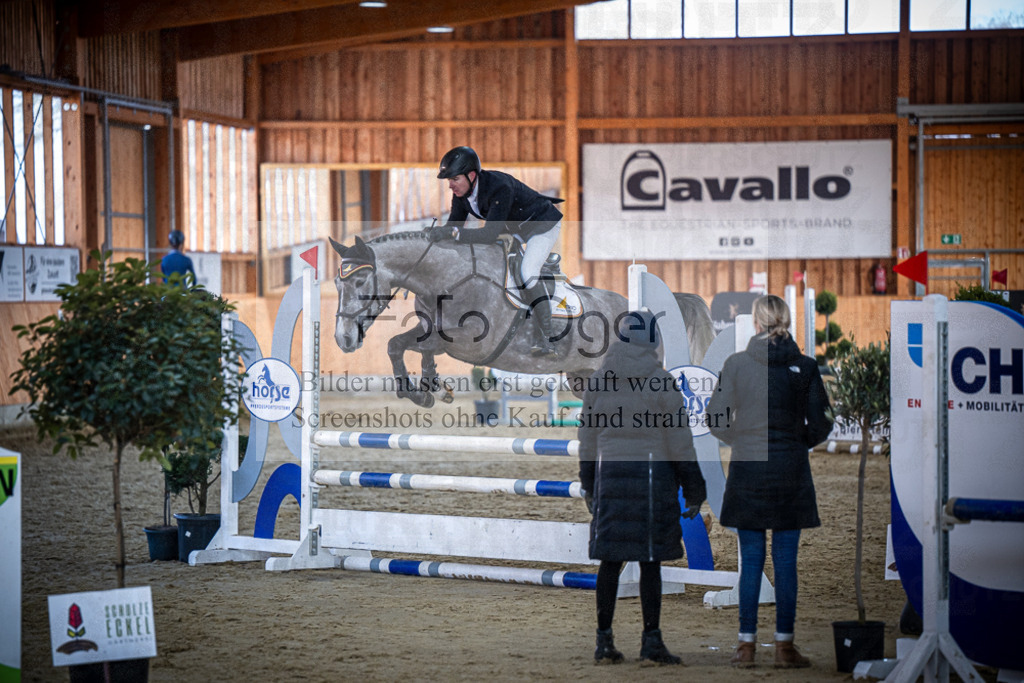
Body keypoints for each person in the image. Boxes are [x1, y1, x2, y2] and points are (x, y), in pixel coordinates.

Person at [706, 294, 832, 669]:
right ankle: (784, 647)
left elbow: (715, 419)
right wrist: (798, 442)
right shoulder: (806, 367)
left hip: (748, 470)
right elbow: (823, 423)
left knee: (752, 562)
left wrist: (740, 440)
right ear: (787, 322)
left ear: (756, 324)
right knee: (786, 563)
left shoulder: (737, 364)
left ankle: (745, 646)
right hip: (790, 472)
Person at [577, 310, 707, 666]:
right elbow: (681, 444)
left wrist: (589, 484)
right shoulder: (662, 382)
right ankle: (651, 641)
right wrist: (695, 490)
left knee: (610, 561)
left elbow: (587, 440)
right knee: (651, 564)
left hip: (611, 482)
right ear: (650, 341)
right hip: (653, 484)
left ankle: (604, 641)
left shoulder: (599, 380)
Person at [427, 146, 564, 359]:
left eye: (454, 179)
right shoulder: (462, 194)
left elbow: (489, 234)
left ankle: (548, 337)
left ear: (471, 175)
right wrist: (435, 236)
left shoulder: (499, 187)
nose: (450, 185)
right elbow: (453, 225)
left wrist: (452, 233)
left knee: (528, 273)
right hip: (515, 230)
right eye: (448, 181)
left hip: (541, 225)